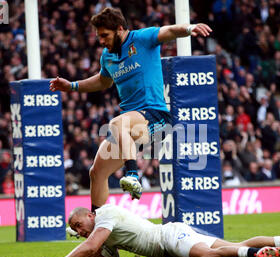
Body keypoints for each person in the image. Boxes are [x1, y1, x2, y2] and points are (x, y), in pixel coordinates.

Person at [49, 8, 213, 212]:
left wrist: (189, 28)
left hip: (156, 116)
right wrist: (72, 86)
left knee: (118, 123)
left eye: (105, 35)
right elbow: (102, 81)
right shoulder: (107, 57)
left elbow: (169, 31)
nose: (101, 41)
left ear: (120, 29)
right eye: (99, 36)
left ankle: (133, 175)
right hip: (129, 125)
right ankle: (98, 230)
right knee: (96, 172)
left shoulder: (142, 39)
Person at [26, 204, 280, 257]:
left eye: (79, 224)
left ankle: (256, 255)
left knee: (204, 255)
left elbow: (92, 246)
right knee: (233, 244)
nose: (80, 231)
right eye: (76, 230)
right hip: (172, 236)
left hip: (168, 238)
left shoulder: (105, 214)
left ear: (90, 215)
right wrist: (86, 246)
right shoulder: (101, 232)